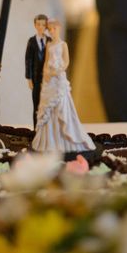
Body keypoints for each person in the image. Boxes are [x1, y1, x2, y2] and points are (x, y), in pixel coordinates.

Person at [32, 19, 95, 153]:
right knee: (47, 106)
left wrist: (58, 70)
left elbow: (66, 62)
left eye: (54, 29)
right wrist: (46, 73)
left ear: (59, 29)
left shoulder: (63, 44)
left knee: (61, 103)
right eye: (50, 29)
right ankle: (48, 139)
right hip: (49, 78)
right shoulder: (49, 45)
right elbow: (46, 61)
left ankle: (64, 136)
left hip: (58, 77)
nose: (52, 31)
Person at [25, 14, 50, 127]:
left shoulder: (49, 40)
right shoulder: (31, 41)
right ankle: (36, 129)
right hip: (35, 78)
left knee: (47, 104)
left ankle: (46, 129)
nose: (41, 27)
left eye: (43, 24)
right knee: (36, 105)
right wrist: (29, 78)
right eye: (38, 24)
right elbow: (28, 60)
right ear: (35, 25)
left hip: (47, 78)